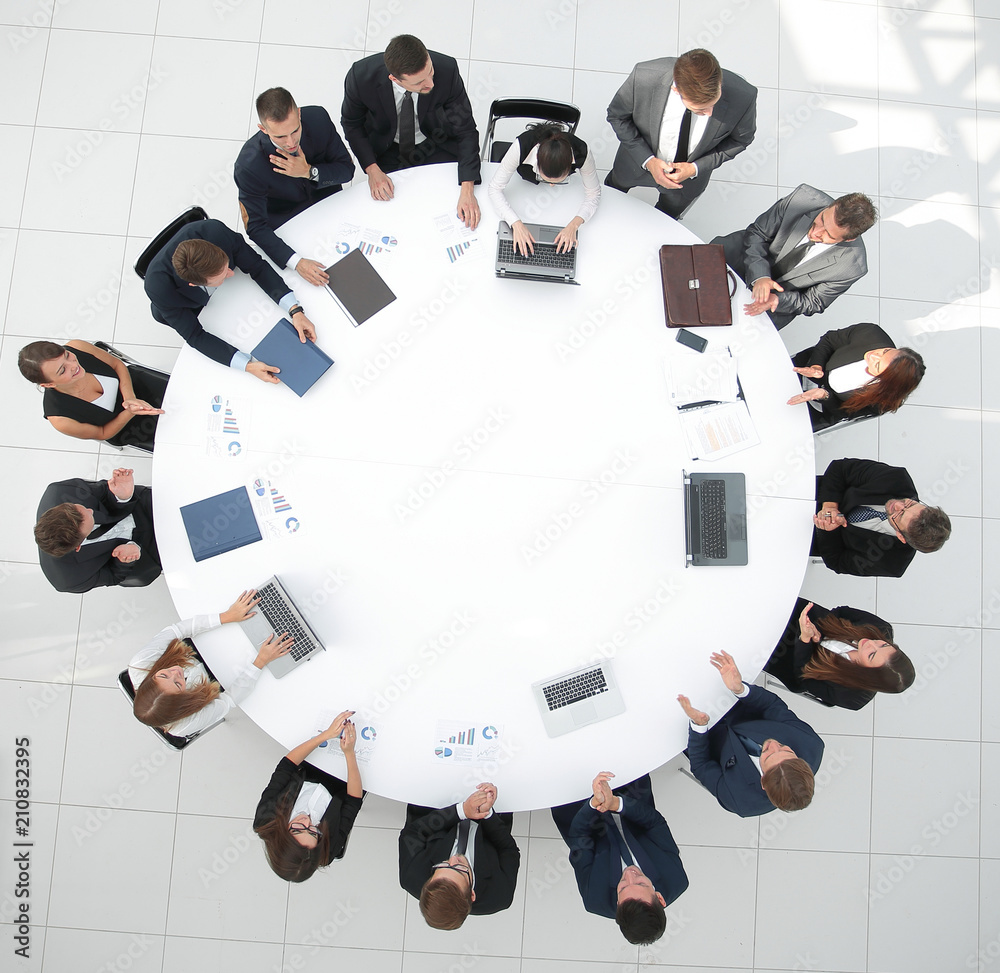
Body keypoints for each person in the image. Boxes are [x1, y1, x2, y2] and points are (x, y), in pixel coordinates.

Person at [143, 218, 319, 384]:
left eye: (227, 267)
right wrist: (247, 366)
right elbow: (195, 336)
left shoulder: (215, 232)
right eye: (222, 276)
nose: (231, 274)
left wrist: (295, 310)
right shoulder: (158, 288)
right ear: (194, 284)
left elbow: (257, 267)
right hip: (189, 304)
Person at [341, 34, 481, 228]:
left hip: (434, 141)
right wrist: (372, 169)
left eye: (430, 72)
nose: (430, 84)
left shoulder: (447, 69)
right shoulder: (360, 76)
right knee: (391, 218)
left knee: (446, 207)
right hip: (387, 147)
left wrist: (467, 189)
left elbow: (466, 129)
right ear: (395, 79)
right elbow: (351, 123)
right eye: (419, 83)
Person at [605, 48, 757, 220]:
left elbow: (742, 139)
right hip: (635, 162)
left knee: (666, 218)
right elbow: (617, 116)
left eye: (713, 103)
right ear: (676, 90)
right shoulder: (644, 76)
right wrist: (648, 161)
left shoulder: (745, 95)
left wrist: (694, 168)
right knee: (612, 194)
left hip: (687, 182)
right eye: (700, 110)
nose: (710, 114)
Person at [677, 651, 824, 817]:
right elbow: (772, 707)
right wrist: (740, 689)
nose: (773, 743)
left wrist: (699, 725)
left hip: (696, 732)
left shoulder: (740, 801)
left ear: (763, 781)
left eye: (767, 755)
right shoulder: (811, 744)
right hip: (733, 700)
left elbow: (701, 766)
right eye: (785, 748)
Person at [235, 87, 355, 286]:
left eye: (295, 131)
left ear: (299, 113)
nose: (290, 142)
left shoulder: (318, 119)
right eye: (280, 137)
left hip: (330, 204)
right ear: (263, 129)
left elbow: (346, 170)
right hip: (290, 221)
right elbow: (255, 227)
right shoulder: (248, 166)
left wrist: (309, 172)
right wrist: (297, 263)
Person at [711, 184, 877, 329]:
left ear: (849, 239)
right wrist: (760, 276)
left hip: (775, 299)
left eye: (828, 235)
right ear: (831, 206)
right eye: (821, 220)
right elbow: (757, 233)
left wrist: (777, 299)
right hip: (743, 255)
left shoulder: (852, 268)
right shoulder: (802, 198)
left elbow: (813, 302)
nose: (815, 232)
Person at [550, 771, 688, 945]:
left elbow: (579, 838)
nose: (630, 874)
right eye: (641, 883)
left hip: (579, 807)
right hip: (630, 795)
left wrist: (594, 803)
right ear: (659, 897)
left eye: (622, 887)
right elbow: (655, 823)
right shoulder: (676, 879)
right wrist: (616, 803)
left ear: (617, 903)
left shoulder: (595, 899)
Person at [129, 589, 293, 735]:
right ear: (181, 702)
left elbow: (177, 630)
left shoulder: (142, 662)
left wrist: (227, 616)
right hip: (217, 679)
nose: (175, 672)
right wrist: (261, 661)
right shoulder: (186, 724)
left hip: (195, 648)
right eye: (178, 684)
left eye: (163, 675)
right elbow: (228, 699)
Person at [254, 710, 364, 882]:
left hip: (309, 760)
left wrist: (326, 735)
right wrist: (349, 753)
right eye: (313, 831)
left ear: (282, 835)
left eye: (297, 828)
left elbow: (286, 766)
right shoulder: (327, 849)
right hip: (345, 777)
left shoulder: (267, 819)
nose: (307, 821)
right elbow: (354, 801)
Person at [398, 783, 520, 928]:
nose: (454, 858)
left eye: (442, 865)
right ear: (472, 894)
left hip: (437, 802)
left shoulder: (410, 877)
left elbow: (412, 833)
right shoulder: (500, 895)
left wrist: (461, 811)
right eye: (460, 868)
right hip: (491, 806)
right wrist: (487, 814)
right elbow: (508, 850)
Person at [765, 598, 915, 710]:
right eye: (883, 644)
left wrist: (806, 640)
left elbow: (802, 676)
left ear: (867, 674)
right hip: (801, 617)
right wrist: (817, 630)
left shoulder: (851, 697)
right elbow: (841, 611)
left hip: (784, 658)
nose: (871, 643)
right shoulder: (881, 629)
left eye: (871, 655)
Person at [814, 457, 952, 577]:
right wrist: (830, 506)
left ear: (901, 537)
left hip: (811, 538)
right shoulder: (897, 479)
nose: (897, 505)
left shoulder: (892, 563)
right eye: (909, 504)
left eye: (899, 515)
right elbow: (840, 469)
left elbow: (837, 562)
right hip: (814, 494)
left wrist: (828, 529)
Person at [18, 339, 164, 449]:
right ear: (49, 384)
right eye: (62, 370)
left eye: (67, 355)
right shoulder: (61, 419)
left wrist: (130, 398)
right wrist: (131, 411)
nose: (74, 365)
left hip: (134, 384)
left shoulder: (77, 346)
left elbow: (116, 364)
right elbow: (102, 433)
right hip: (127, 426)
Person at [34, 469, 160, 593]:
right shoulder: (68, 580)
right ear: (77, 547)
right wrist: (124, 561)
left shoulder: (61, 491)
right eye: (89, 519)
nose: (91, 511)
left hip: (139, 507)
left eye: (82, 509)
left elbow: (104, 492)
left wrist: (121, 497)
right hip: (146, 552)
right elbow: (113, 576)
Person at [488, 122, 601, 255]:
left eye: (559, 181)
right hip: (523, 189)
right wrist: (516, 224)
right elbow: (494, 188)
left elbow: (594, 194)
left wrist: (573, 226)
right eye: (545, 180)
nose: (551, 186)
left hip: (561, 201)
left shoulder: (582, 151)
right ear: (537, 161)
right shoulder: (521, 146)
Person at [787, 324, 925, 430]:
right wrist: (816, 365)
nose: (873, 355)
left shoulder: (884, 400)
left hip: (819, 410)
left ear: (884, 382)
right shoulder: (871, 333)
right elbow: (829, 340)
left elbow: (844, 413)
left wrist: (824, 396)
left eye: (877, 365)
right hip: (804, 366)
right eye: (885, 351)